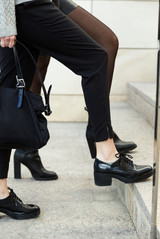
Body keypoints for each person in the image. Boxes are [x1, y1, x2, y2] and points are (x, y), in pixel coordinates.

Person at [0, 0, 152, 220]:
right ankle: (106, 154)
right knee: (95, 58)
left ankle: (1, 192)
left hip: (21, 8)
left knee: (6, 93)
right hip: (25, 5)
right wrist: (5, 22)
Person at [14, 0, 137, 181]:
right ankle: (26, 148)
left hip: (52, 2)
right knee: (38, 64)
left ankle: (99, 128)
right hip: (26, 4)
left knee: (107, 41)